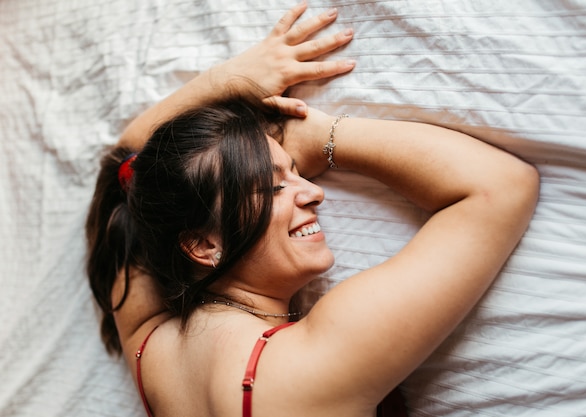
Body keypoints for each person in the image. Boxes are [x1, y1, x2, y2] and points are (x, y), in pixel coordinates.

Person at [86, 2, 540, 417]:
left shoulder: (150, 345)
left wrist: (229, 78)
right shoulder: (306, 368)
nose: (312, 192)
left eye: (296, 171)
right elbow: (500, 188)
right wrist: (321, 136)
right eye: (272, 187)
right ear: (203, 244)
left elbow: (122, 167)